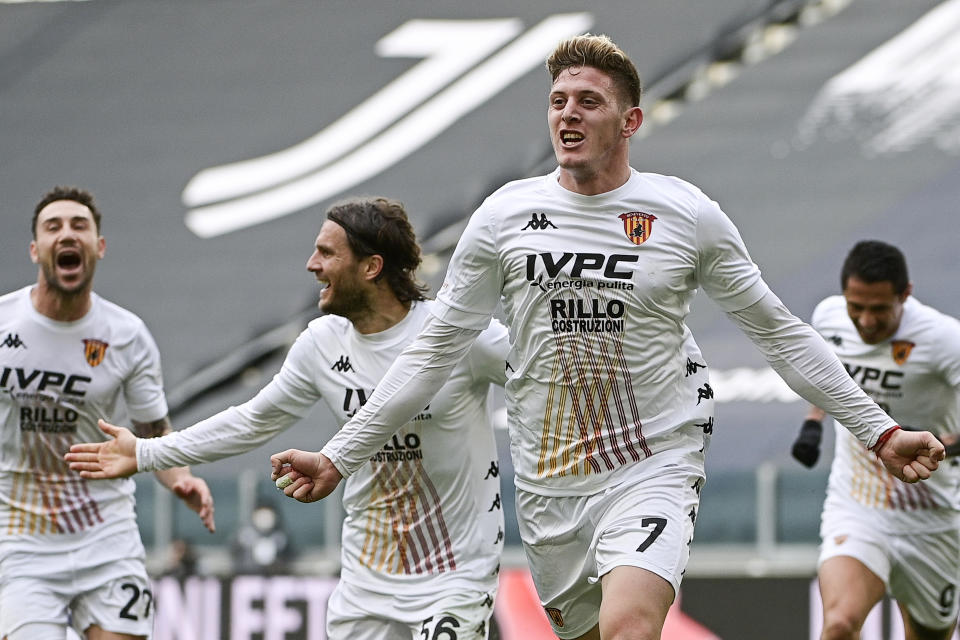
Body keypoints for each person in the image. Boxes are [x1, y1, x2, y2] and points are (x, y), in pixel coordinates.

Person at [264, 34, 946, 640]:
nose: (568, 113)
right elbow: (434, 350)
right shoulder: (504, 217)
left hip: (653, 460)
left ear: (630, 121)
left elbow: (782, 335)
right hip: (549, 481)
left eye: (589, 101)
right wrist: (341, 456)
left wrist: (879, 433)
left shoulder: (685, 214)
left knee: (630, 627)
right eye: (559, 100)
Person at [66, 196, 510, 640]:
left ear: (371, 267)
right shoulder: (321, 343)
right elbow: (251, 420)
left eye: (327, 252)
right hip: (366, 582)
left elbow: (543, 379)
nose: (311, 264)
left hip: (454, 576)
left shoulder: (458, 335)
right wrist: (146, 452)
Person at [0, 186, 215, 640]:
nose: (67, 234)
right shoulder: (3, 325)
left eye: (80, 225)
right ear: (35, 250)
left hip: (105, 536)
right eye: (53, 226)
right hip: (19, 540)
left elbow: (153, 430)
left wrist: (181, 478)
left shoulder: (127, 335)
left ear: (98, 247)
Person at [789, 240, 960, 640]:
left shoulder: (945, 341)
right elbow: (826, 376)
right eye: (856, 307)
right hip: (859, 504)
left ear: (906, 294)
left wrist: (943, 446)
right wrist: (813, 422)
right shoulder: (828, 317)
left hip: (932, 516)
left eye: (879, 309)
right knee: (840, 624)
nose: (865, 321)